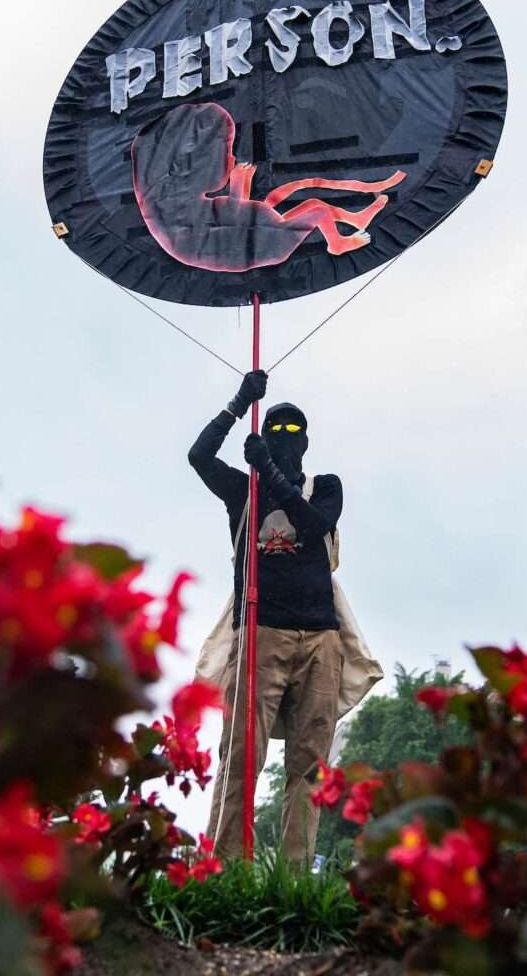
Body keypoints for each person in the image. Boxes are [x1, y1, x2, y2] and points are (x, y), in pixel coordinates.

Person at [189, 369, 380, 864]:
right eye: (277, 430)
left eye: (295, 432)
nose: (285, 438)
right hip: (261, 632)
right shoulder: (242, 490)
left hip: (321, 637)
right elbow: (199, 457)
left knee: (309, 764)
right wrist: (238, 403)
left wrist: (271, 473)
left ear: (307, 442)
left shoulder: (325, 486)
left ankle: (293, 879)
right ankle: (226, 868)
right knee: (241, 757)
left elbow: (314, 523)